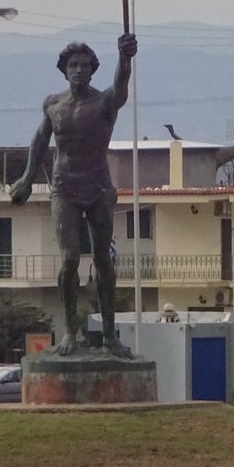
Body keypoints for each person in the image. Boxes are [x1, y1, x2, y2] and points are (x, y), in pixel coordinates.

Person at [10, 34, 137, 356]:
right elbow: (40, 141)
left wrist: (125, 59)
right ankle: (69, 331)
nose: (79, 70)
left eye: (84, 65)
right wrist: (26, 178)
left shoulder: (104, 103)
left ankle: (109, 335)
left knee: (102, 260)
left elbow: (121, 88)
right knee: (68, 259)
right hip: (64, 186)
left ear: (93, 70)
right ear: (64, 70)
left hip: (97, 185)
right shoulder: (53, 104)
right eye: (73, 65)